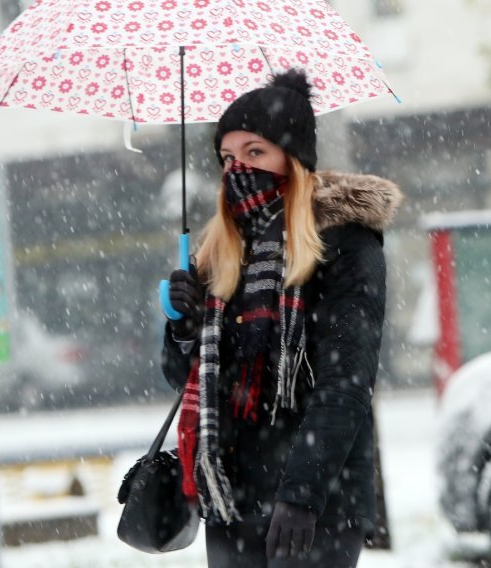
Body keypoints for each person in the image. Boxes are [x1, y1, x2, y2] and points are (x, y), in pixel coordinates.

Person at [161, 69, 402, 567]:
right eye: (227, 157)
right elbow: (187, 381)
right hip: (233, 495)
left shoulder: (346, 245)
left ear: (292, 160)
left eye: (255, 152)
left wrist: (302, 493)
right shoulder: (220, 254)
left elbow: (346, 383)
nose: (238, 169)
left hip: (320, 500)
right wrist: (184, 330)